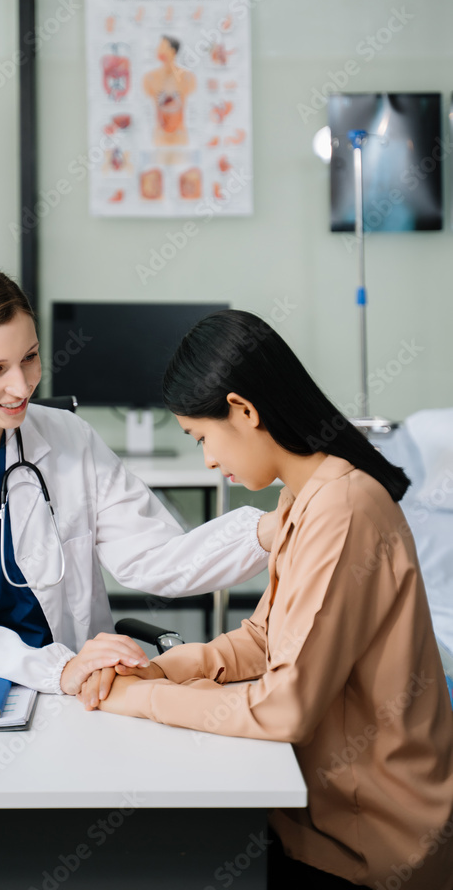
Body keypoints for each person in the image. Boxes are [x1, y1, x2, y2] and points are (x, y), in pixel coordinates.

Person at [86, 309, 453, 890]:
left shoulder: (344, 507)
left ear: (245, 411)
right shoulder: (304, 498)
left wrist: (141, 698)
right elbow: (263, 638)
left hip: (370, 840)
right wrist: (163, 667)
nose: (208, 459)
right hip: (318, 815)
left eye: (203, 437)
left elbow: (284, 708)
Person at [0, 266, 275, 697]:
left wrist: (270, 530)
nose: (22, 385)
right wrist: (57, 668)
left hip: (79, 692)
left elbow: (155, 556)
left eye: (30, 357)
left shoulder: (69, 437)